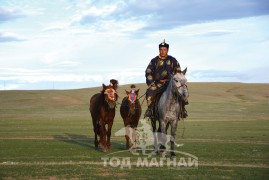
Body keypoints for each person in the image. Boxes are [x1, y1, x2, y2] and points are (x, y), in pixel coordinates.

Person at [144, 39, 188, 119]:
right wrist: (152, 82)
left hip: (170, 84)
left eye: (164, 50)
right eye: (161, 50)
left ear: (167, 50)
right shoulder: (154, 61)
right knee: (149, 92)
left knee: (181, 93)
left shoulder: (173, 60)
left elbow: (178, 73)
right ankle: (150, 110)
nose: (162, 51)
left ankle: (182, 110)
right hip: (157, 84)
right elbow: (148, 71)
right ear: (159, 50)